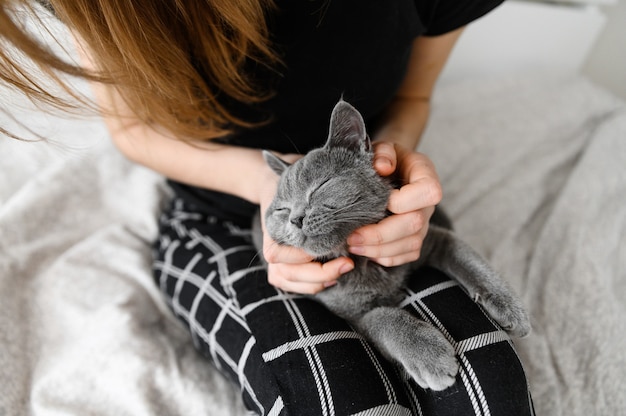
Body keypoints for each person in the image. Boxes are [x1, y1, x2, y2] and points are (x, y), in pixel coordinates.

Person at [0, 1, 535, 414]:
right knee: (334, 398)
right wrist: (264, 184)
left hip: (362, 207)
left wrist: (391, 169)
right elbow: (132, 128)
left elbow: (412, 100)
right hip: (218, 213)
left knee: (485, 386)